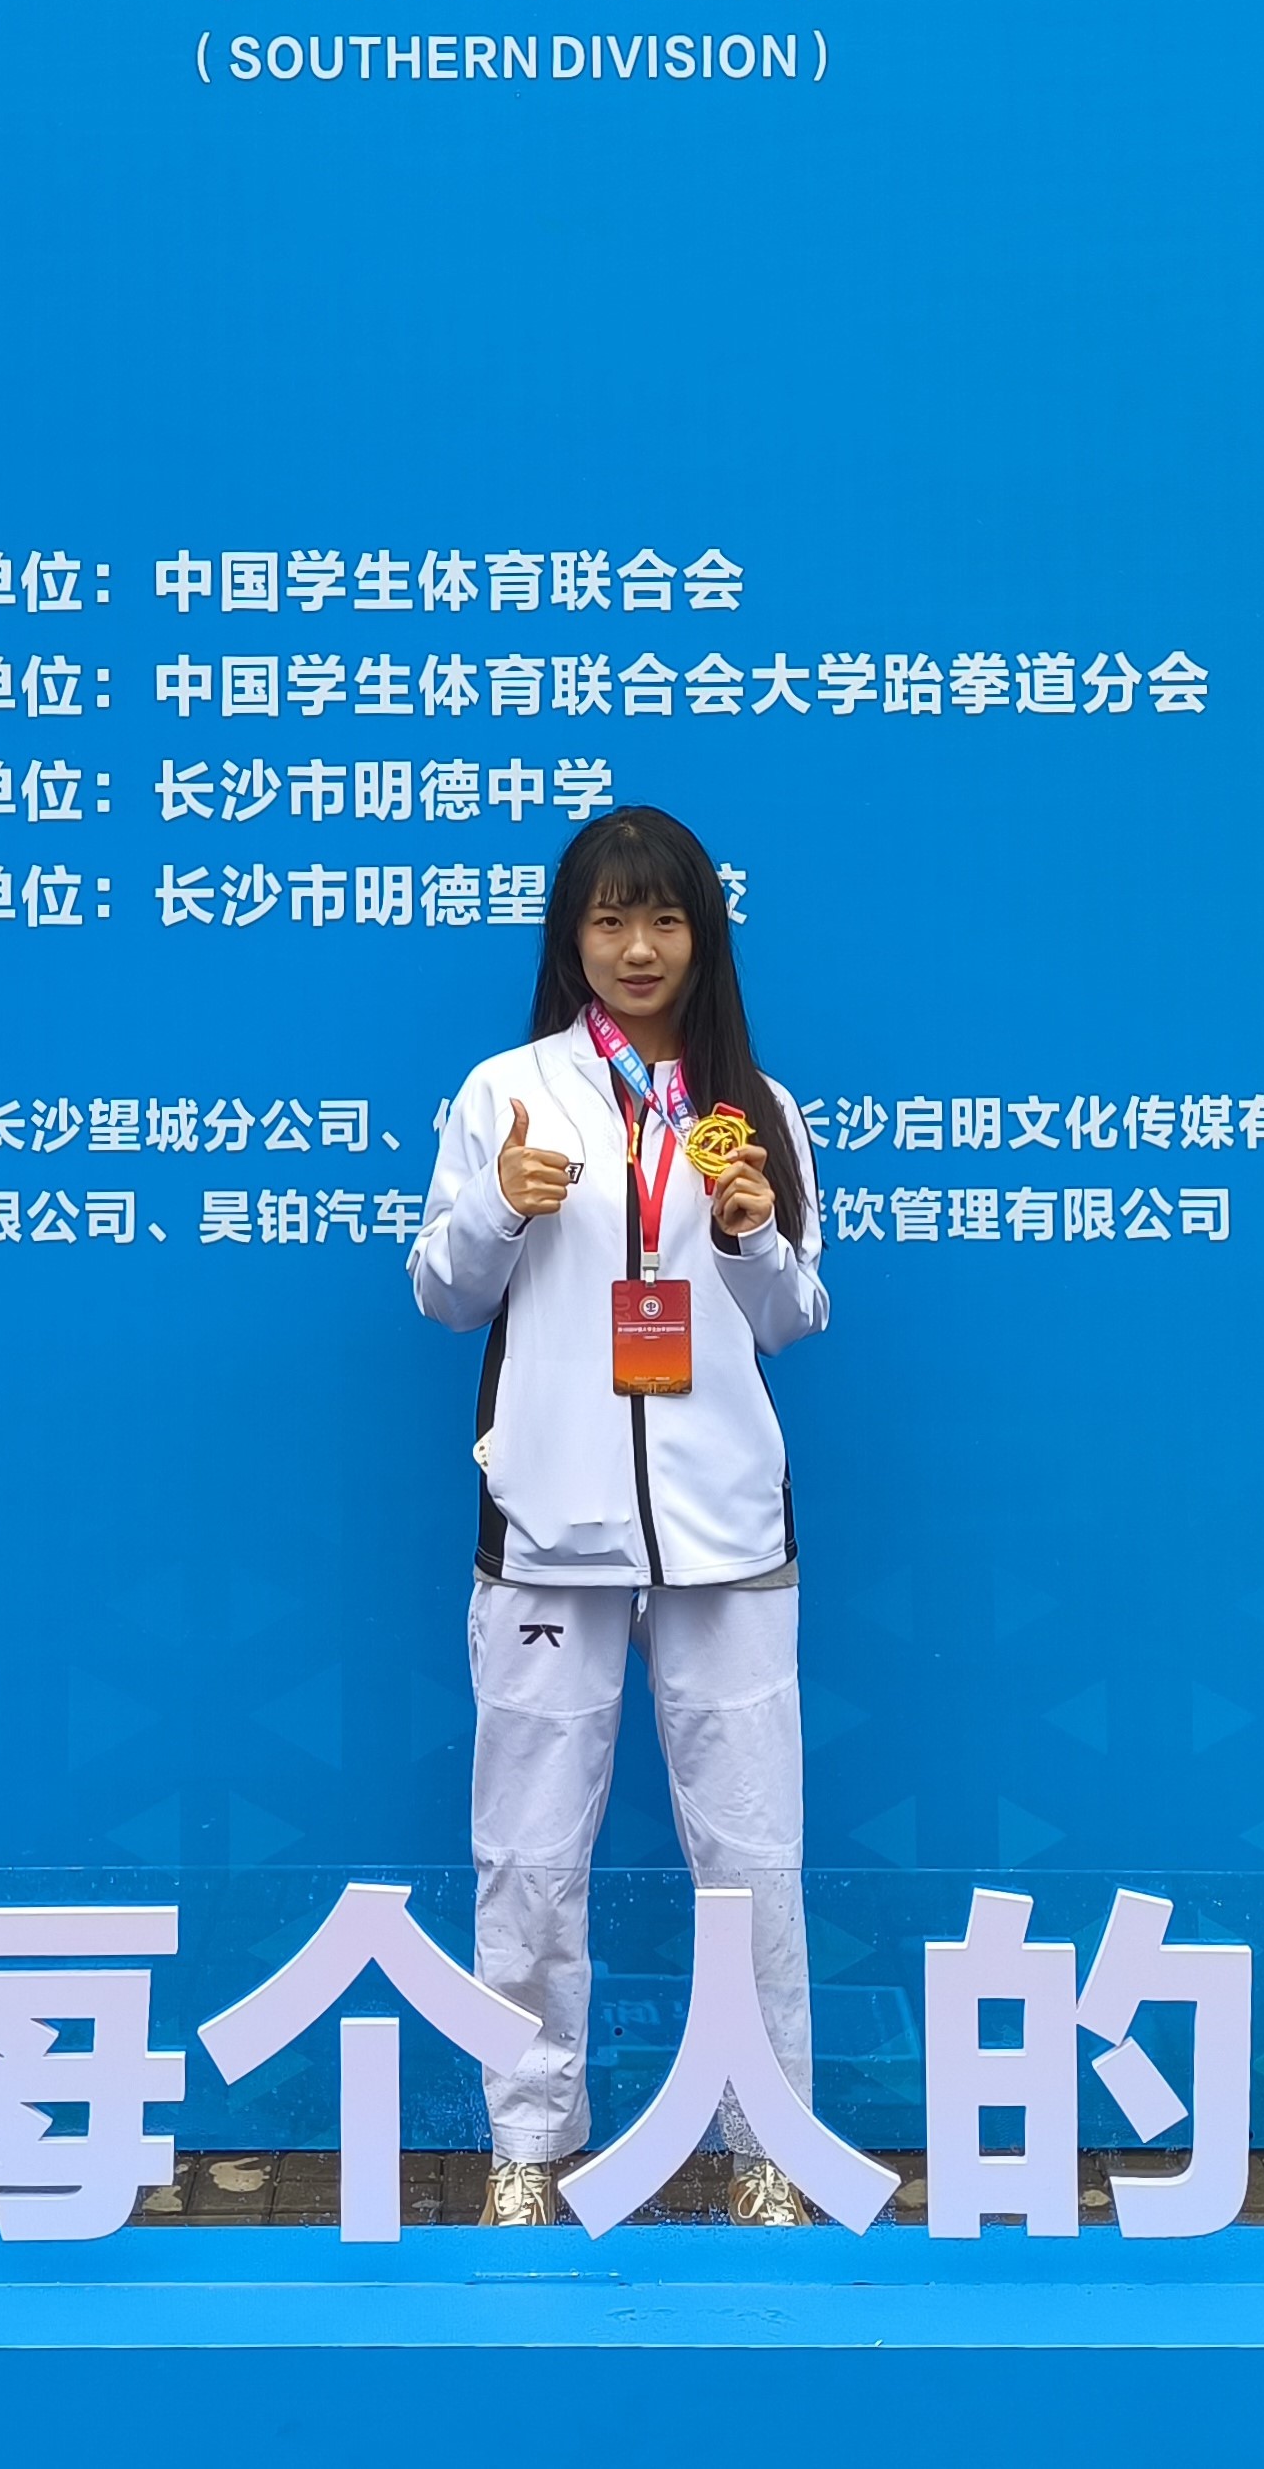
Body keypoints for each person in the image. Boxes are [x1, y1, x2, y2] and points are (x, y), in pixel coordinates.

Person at [408, 804, 830, 2225]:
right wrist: (498, 1210)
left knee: (751, 1857)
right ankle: (528, 2144)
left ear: (703, 936)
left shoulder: (755, 1106)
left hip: (725, 1537)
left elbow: (794, 1315)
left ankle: (767, 2142)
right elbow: (442, 1292)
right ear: (570, 939)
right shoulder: (507, 1092)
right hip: (550, 1530)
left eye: (664, 919)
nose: (637, 947)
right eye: (608, 920)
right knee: (527, 1856)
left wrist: (748, 1232)